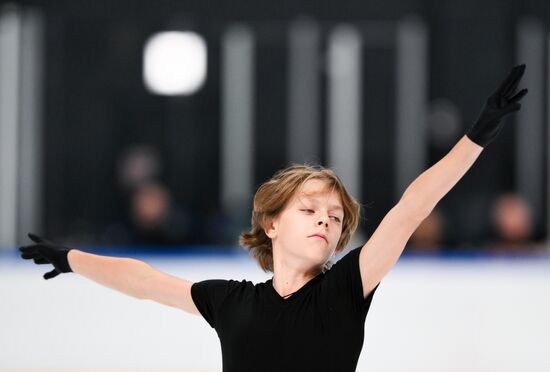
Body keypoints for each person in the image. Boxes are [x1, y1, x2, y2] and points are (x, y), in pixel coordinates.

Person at [19, 64, 528, 372]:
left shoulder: (346, 290)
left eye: (334, 218)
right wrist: (70, 258)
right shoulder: (230, 302)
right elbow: (144, 281)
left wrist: (477, 135)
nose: (325, 222)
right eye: (309, 210)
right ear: (271, 224)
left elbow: (411, 208)